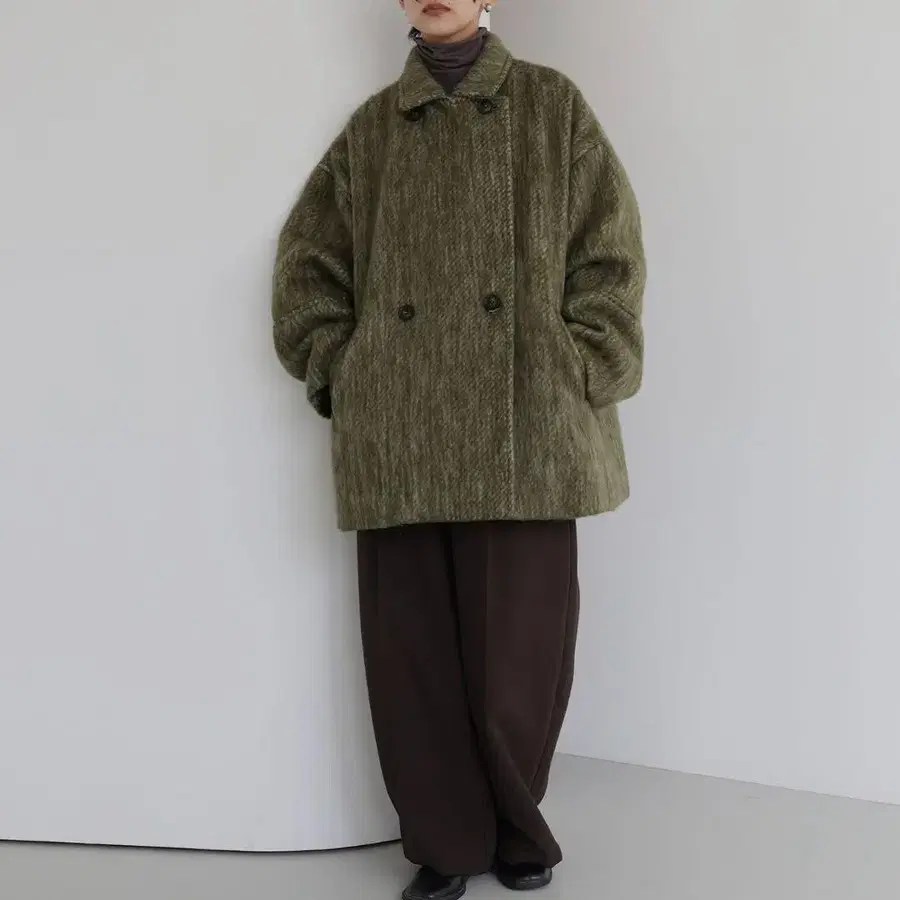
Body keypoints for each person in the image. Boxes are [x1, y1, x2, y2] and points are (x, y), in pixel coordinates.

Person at [272, 1, 646, 897]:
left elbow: (610, 254)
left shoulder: (552, 107)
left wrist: (581, 362)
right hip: (400, 425)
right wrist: (345, 368)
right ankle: (445, 845)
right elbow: (308, 266)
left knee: (520, 653)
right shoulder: (371, 130)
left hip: (527, 423)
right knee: (414, 658)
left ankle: (516, 828)